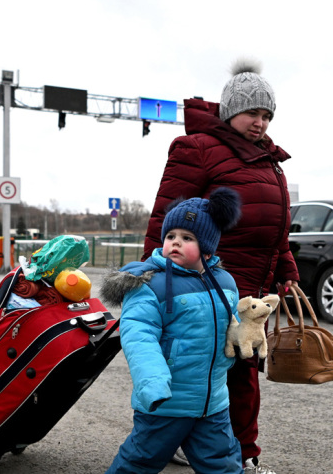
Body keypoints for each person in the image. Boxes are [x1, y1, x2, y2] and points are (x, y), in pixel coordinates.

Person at [142, 59, 299, 473]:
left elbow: (276, 229)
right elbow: (166, 219)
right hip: (207, 285)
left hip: (252, 290)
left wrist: (287, 272)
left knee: (239, 371)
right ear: (230, 112)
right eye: (252, 113)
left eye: (267, 115)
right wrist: (148, 275)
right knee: (212, 371)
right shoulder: (198, 150)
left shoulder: (270, 163)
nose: (261, 122)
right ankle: (230, 453)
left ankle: (232, 450)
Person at [100, 188, 244, 474]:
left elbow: (233, 326)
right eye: (171, 236)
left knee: (223, 464)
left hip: (213, 402)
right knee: (138, 462)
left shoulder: (225, 281)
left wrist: (244, 341)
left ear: (207, 246)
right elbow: (138, 336)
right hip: (166, 402)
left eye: (187, 238)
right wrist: (152, 381)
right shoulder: (149, 284)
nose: (176, 242)